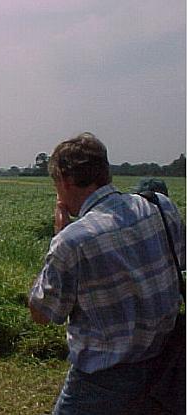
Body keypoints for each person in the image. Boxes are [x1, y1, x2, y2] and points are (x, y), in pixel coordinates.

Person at [28, 132, 185, 414]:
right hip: (168, 362)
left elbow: (43, 313)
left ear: (64, 181)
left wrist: (59, 236)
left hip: (102, 380)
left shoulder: (72, 242)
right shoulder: (161, 207)